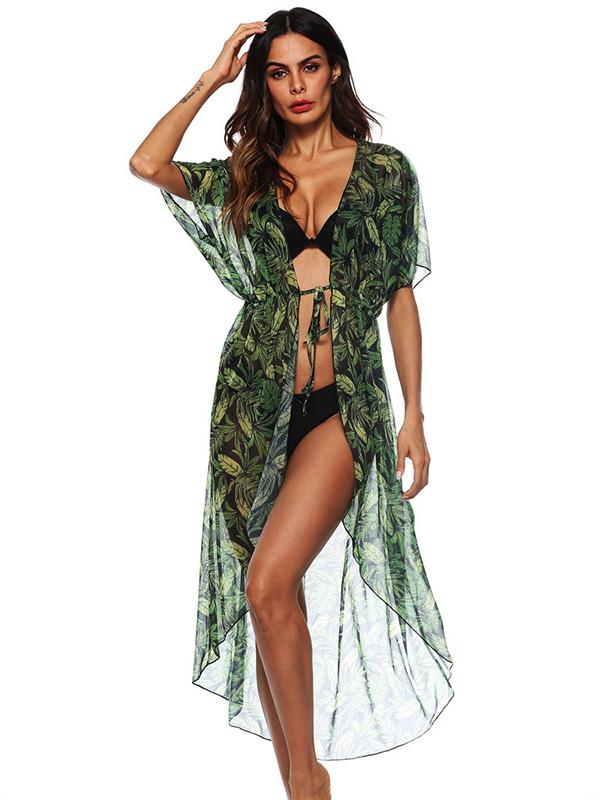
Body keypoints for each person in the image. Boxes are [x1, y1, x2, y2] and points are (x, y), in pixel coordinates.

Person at [130, 9, 454, 799]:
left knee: (268, 582)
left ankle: (309, 782)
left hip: (343, 407)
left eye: (309, 67)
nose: (296, 86)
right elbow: (147, 163)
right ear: (264, 84)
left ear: (334, 69)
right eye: (277, 72)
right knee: (270, 597)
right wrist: (211, 79)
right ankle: (302, 788)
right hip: (251, 405)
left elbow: (400, 295)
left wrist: (414, 414)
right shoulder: (249, 172)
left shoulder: (384, 172)